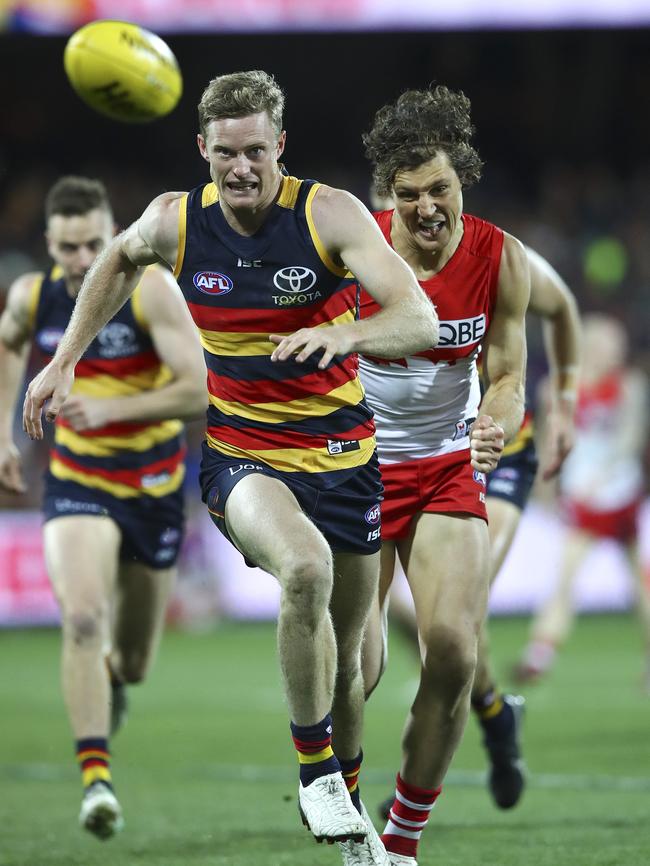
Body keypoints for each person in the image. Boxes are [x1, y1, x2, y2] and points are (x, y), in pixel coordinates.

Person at [22, 71, 439, 865]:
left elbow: (416, 314)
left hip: (347, 460)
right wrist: (64, 361)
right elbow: (116, 259)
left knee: (355, 661)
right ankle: (315, 771)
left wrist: (345, 337)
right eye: (224, 153)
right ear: (203, 150)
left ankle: (348, 821)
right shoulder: (176, 223)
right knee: (305, 571)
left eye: (255, 151)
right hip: (245, 459)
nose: (240, 167)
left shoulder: (329, 215)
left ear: (280, 146)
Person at [0, 176, 206, 839]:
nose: (83, 260)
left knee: (136, 662)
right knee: (83, 618)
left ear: (113, 232)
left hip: (151, 486)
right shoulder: (33, 296)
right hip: (77, 481)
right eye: (67, 247)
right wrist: (4, 431)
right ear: (50, 244)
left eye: (94, 243)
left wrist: (113, 408)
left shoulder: (149, 290)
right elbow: (8, 342)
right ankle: (96, 780)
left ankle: (112, 682)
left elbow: (198, 390)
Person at [355, 85, 530, 866]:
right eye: (409, 195)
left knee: (455, 651)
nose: (427, 209)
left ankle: (400, 842)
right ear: (385, 197)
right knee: (357, 670)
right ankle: (332, 784)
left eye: (441, 191)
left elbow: (510, 373)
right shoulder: (354, 252)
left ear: (464, 179)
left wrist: (498, 416)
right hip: (353, 471)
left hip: (444, 472)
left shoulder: (501, 257)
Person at [371, 245, 581, 819]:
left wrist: (564, 402)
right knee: (430, 628)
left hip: (498, 452)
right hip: (409, 460)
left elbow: (560, 306)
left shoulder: (495, 255)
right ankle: (492, 714)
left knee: (456, 620)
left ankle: (417, 780)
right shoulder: (365, 252)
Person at [514, 313, 649, 687]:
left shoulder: (628, 385)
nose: (615, 350)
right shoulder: (558, 388)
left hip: (618, 493)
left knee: (640, 581)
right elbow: (547, 441)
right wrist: (545, 487)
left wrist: (603, 476)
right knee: (566, 576)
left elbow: (630, 436)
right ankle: (539, 653)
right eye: (608, 342)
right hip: (583, 497)